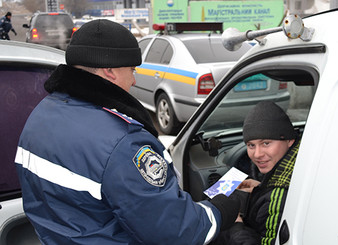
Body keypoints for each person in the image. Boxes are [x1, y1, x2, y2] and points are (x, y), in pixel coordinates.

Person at [14, 19, 240, 245]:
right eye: (132, 70)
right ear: (110, 70)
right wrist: (222, 208)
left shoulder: (39, 116)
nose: (133, 80)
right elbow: (177, 232)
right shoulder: (123, 143)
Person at [211, 101, 301, 245]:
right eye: (251, 145)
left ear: (289, 140)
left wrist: (236, 225)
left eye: (266, 143)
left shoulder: (279, 195)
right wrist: (261, 188)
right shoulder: (299, 159)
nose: (257, 154)